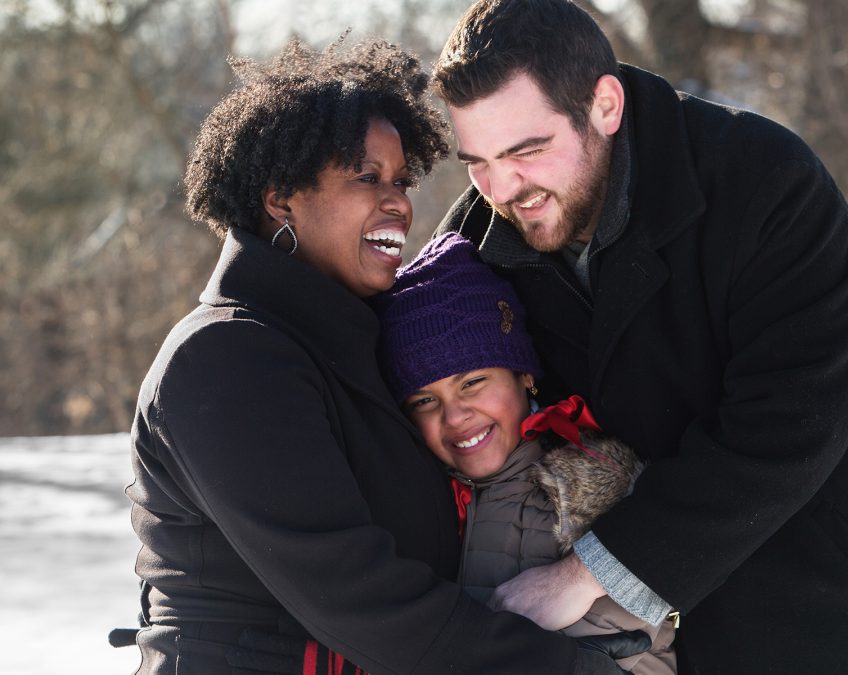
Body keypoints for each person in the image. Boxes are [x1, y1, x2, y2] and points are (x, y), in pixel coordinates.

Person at [431, 0, 848, 672]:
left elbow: (790, 423)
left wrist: (582, 577)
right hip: (725, 632)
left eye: (527, 150)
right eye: (477, 162)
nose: (503, 187)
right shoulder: (481, 245)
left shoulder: (763, 182)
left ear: (604, 105)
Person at [122, 37, 640, 674]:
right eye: (366, 178)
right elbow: (360, 599)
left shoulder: (364, 344)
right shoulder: (226, 359)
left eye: (400, 180)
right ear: (280, 199)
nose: (397, 201)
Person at [372, 231, 676, 674]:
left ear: (524, 376)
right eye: (424, 400)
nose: (455, 416)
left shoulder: (588, 486)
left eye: (473, 382)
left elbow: (646, 652)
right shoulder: (419, 499)